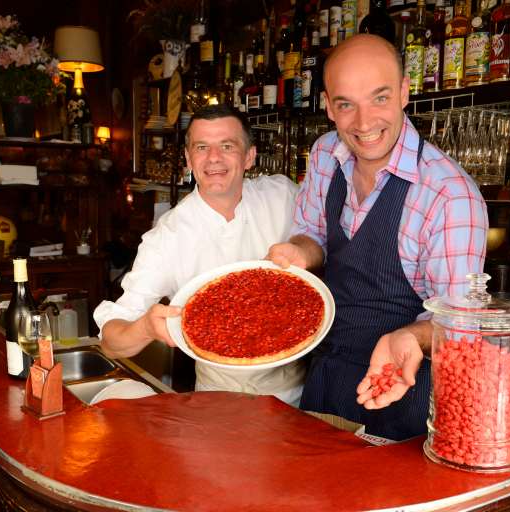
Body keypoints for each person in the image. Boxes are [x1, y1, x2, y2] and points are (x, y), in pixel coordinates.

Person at [267, 34, 488, 440]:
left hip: (401, 394)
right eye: (346, 104)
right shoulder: (324, 155)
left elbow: (462, 324)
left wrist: (410, 336)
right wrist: (299, 252)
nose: (364, 123)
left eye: (380, 98)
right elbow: (314, 234)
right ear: (329, 107)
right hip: (325, 379)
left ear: (405, 92)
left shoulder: (448, 194)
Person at [94, 104, 305, 405]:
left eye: (227, 146)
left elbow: (325, 240)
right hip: (217, 401)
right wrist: (145, 327)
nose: (214, 158)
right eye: (202, 147)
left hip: (296, 397)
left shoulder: (284, 196)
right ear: (188, 159)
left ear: (249, 156)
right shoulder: (168, 236)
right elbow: (111, 341)